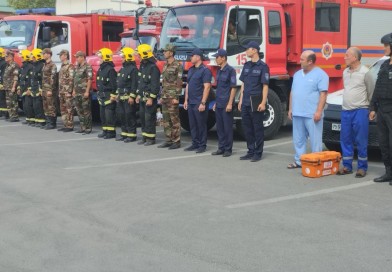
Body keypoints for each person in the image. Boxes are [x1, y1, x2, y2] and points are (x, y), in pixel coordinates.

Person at [287, 50, 328, 169]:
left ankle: (316, 162)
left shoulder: (321, 75)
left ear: (310, 61)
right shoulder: (297, 74)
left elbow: (323, 94)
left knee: (315, 140)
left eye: (302, 59)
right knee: (298, 139)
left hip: (312, 113)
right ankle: (299, 161)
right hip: (297, 112)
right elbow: (293, 92)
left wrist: (319, 111)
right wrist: (290, 108)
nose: (299, 61)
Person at [337, 47, 374, 178]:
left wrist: (372, 109)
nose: (344, 57)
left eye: (347, 55)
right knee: (345, 138)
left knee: (361, 139)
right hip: (346, 110)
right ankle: (347, 166)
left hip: (360, 110)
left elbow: (371, 92)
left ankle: (362, 167)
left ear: (355, 58)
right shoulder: (345, 72)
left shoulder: (366, 72)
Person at [238, 41, 269, 162]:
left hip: (256, 101)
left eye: (248, 49)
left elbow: (265, 86)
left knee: (257, 128)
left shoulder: (263, 67)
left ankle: (258, 152)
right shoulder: (246, 65)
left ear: (255, 50)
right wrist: (240, 100)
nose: (246, 51)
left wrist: (263, 102)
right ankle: (250, 150)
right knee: (247, 128)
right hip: (245, 101)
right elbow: (243, 84)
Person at [370, 33, 392, 185]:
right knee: (383, 143)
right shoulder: (384, 65)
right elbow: (377, 88)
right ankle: (388, 172)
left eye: (386, 45)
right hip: (382, 110)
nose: (384, 48)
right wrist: (373, 108)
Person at [183, 48, 212, 153]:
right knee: (193, 124)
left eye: (192, 56)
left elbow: (207, 87)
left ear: (198, 57)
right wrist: (186, 100)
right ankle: (195, 143)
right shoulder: (191, 69)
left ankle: (202, 145)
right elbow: (188, 85)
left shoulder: (205, 70)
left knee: (201, 125)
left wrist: (203, 102)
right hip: (191, 102)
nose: (190, 57)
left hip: (199, 102)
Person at [211, 49, 236, 157]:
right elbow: (219, 88)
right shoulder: (219, 71)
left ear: (223, 58)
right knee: (220, 127)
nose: (216, 59)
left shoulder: (230, 70)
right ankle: (221, 148)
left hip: (226, 103)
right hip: (219, 103)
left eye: (217, 57)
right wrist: (216, 103)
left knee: (227, 127)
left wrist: (230, 103)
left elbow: (233, 88)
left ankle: (228, 149)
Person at [158, 43, 183, 150]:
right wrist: (161, 95)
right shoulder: (165, 65)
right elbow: (163, 82)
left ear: (171, 52)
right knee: (166, 119)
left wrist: (176, 97)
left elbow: (179, 82)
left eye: (165, 51)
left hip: (172, 97)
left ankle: (176, 141)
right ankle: (168, 139)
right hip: (165, 96)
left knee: (174, 119)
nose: (164, 53)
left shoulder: (177, 65)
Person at [136, 43, 160, 146]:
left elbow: (155, 85)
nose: (138, 56)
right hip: (142, 97)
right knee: (142, 117)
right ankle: (145, 137)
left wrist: (151, 98)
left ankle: (151, 138)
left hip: (149, 98)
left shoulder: (153, 68)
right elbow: (140, 82)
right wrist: (138, 95)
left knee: (149, 118)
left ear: (144, 54)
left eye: (139, 54)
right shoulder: (143, 66)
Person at [115, 47, 138, 142]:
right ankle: (124, 134)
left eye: (123, 57)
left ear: (128, 57)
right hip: (121, 97)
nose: (122, 59)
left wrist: (132, 96)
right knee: (122, 115)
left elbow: (134, 84)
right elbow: (119, 82)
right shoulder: (123, 68)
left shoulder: (133, 69)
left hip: (128, 97)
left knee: (129, 116)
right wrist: (117, 94)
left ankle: (131, 135)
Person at [96, 48, 117, 139]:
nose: (99, 59)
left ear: (106, 58)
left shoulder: (110, 70)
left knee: (109, 116)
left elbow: (114, 85)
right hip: (102, 96)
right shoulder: (101, 69)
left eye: (100, 57)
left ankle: (111, 132)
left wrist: (113, 95)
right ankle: (105, 131)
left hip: (108, 96)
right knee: (103, 115)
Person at [73, 51, 93, 135]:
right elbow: (75, 80)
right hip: (77, 92)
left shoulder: (87, 67)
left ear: (82, 57)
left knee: (86, 110)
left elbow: (89, 79)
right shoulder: (77, 67)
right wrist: (74, 90)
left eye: (77, 57)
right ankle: (82, 127)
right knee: (79, 110)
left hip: (84, 92)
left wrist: (87, 91)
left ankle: (88, 128)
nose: (76, 59)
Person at [57, 49, 75, 132]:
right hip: (62, 91)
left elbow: (71, 79)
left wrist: (69, 91)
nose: (60, 57)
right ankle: (65, 124)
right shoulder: (62, 66)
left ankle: (70, 125)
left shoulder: (70, 66)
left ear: (65, 56)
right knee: (63, 109)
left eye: (61, 55)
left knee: (69, 109)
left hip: (67, 91)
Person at [41, 48, 58, 130]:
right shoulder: (45, 65)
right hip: (44, 89)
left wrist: (50, 90)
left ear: (49, 54)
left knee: (51, 106)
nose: (43, 55)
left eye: (44, 53)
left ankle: (52, 123)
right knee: (46, 106)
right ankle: (48, 122)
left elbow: (53, 78)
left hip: (49, 89)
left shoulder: (52, 65)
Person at [30, 48, 46, 127]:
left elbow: (41, 79)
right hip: (34, 88)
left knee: (39, 106)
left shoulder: (41, 66)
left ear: (38, 57)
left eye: (34, 57)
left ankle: (42, 121)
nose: (32, 59)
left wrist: (40, 89)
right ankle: (37, 120)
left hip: (39, 89)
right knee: (35, 106)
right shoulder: (35, 66)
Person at [18, 50, 34, 125]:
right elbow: (20, 78)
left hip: (28, 90)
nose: (21, 58)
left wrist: (29, 89)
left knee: (29, 105)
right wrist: (19, 88)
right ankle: (28, 119)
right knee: (25, 106)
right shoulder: (23, 67)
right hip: (23, 89)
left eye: (22, 57)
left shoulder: (30, 67)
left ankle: (31, 119)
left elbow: (31, 79)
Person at [3, 50, 20, 122]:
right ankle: (11, 116)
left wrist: (14, 87)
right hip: (7, 87)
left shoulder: (14, 65)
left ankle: (15, 116)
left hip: (11, 87)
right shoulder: (8, 65)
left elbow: (16, 77)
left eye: (6, 56)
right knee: (8, 102)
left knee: (13, 102)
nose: (5, 57)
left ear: (11, 56)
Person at [0, 48, 7, 118]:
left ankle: (4, 113)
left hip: (2, 84)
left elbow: (3, 75)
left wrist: (2, 84)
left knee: (2, 99)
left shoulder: (3, 63)